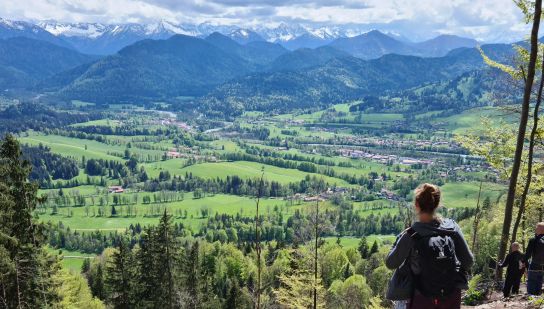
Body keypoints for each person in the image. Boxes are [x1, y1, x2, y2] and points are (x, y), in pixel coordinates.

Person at [386, 183, 474, 309]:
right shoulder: (452, 229)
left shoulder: (411, 234)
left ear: (416, 205)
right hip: (451, 295)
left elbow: (391, 263)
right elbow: (468, 261)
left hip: (421, 296)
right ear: (437, 204)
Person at [525, 222, 544, 295]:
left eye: (536, 228)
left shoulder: (533, 240)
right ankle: (536, 301)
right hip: (542, 267)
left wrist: (523, 261)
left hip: (534, 266)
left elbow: (528, 254)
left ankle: (531, 301)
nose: (535, 229)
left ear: (540, 229)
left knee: (531, 283)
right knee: (539, 283)